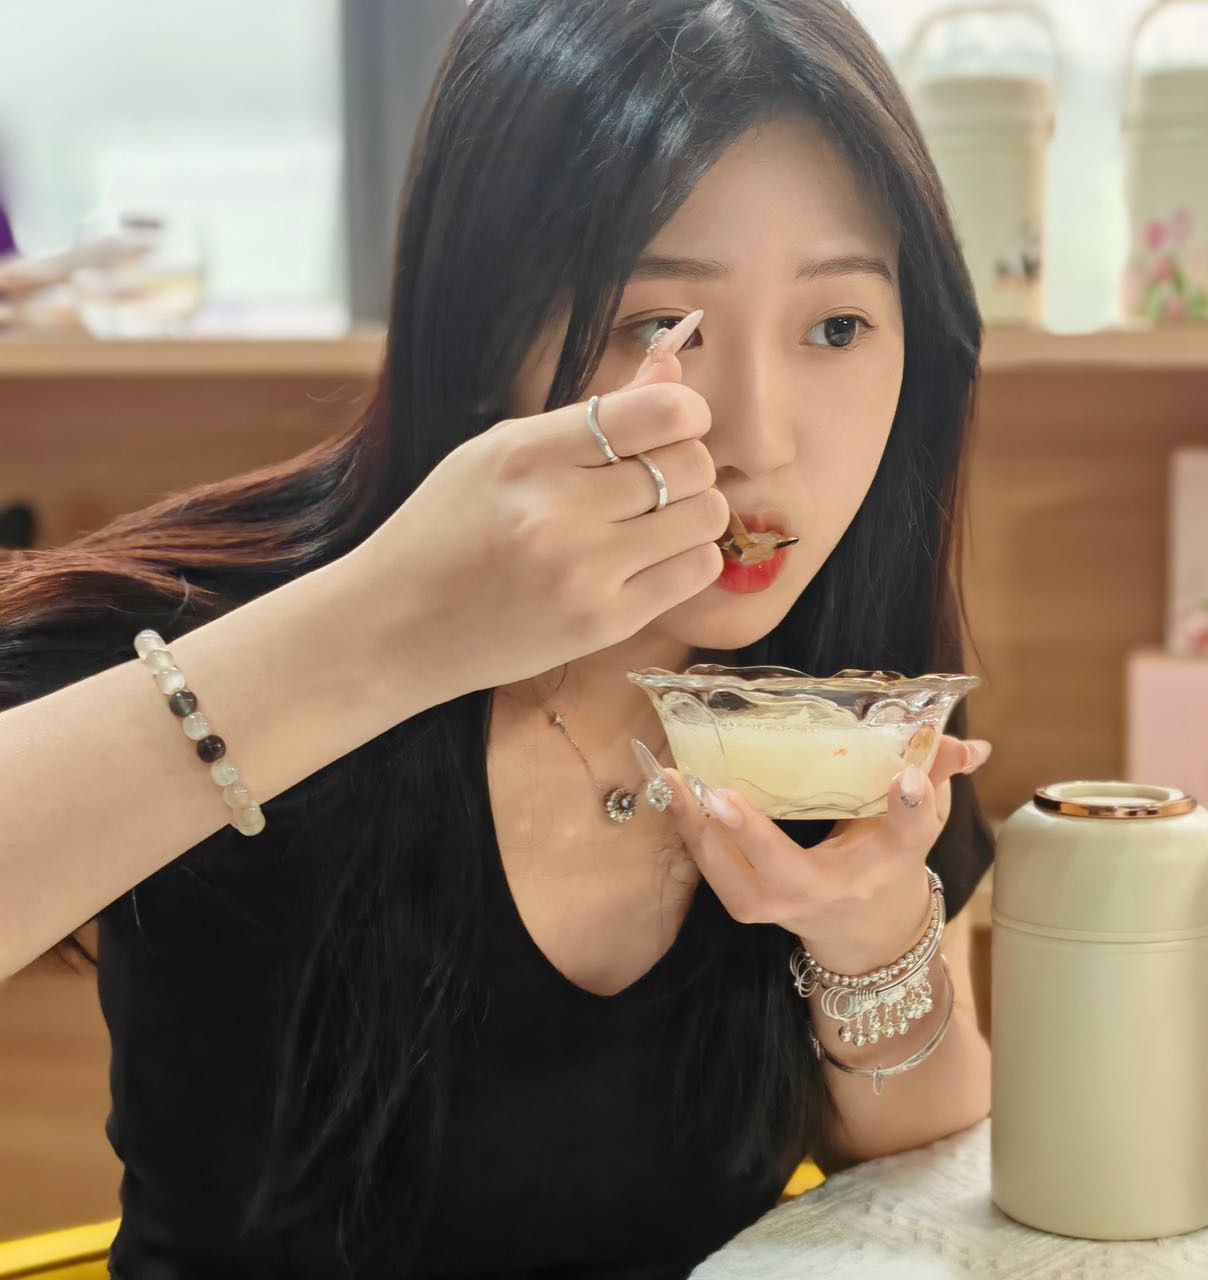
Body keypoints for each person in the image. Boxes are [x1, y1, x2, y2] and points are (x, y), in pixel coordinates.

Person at [0, 1, 996, 1275]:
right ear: (485, 336)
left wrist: (872, 935)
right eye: (660, 326)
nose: (761, 437)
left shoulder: (840, 692)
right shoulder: (221, 623)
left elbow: (914, 1170)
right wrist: (387, 632)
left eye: (838, 327)